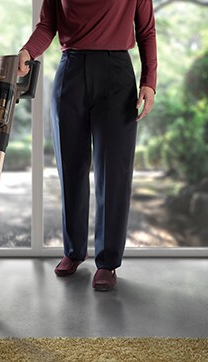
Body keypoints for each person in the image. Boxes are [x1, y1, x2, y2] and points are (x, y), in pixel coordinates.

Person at [18, 0, 157, 291]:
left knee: (114, 173)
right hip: (71, 69)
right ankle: (73, 251)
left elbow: (146, 30)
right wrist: (27, 51)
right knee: (71, 167)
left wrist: (149, 80)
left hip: (117, 73)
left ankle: (107, 262)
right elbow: (47, 25)